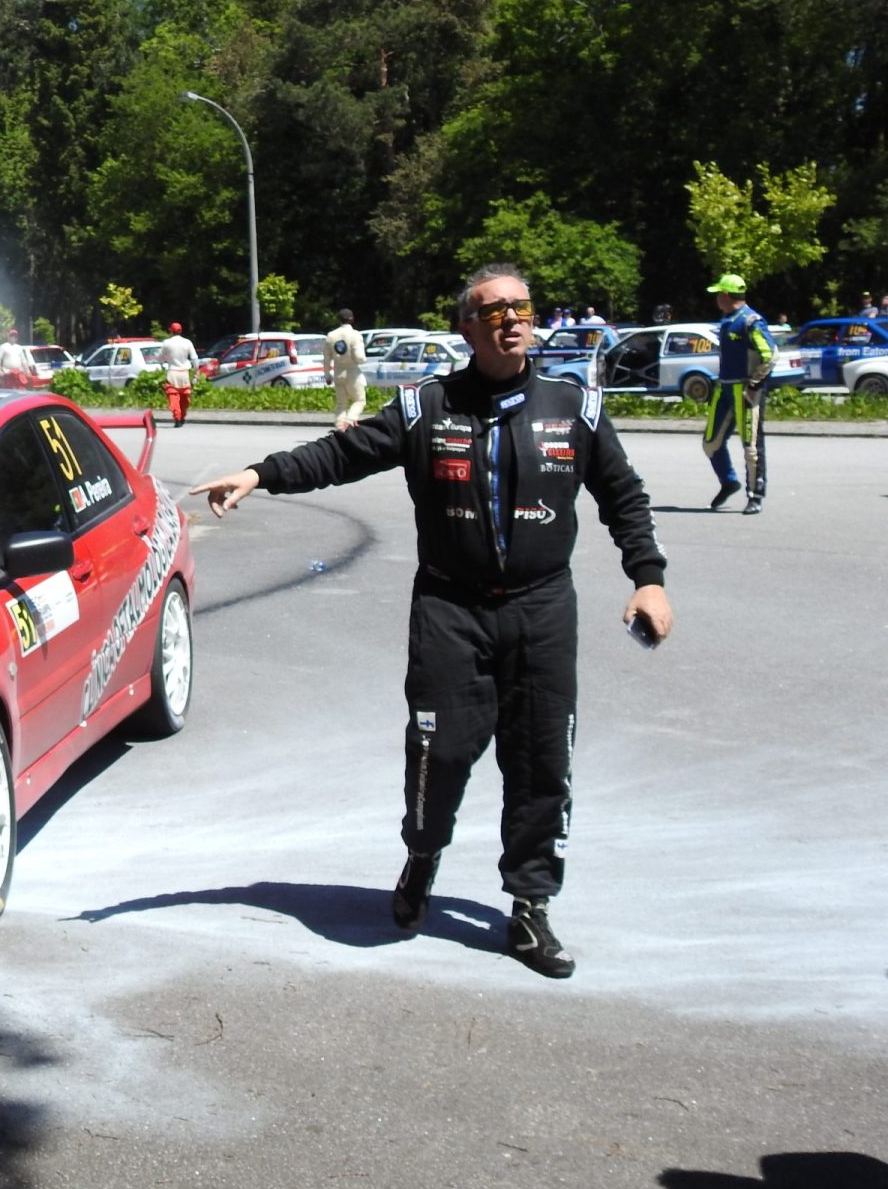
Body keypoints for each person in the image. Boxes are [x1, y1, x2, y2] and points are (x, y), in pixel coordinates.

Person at [190, 264, 673, 980]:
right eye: (493, 310)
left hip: (542, 608)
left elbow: (623, 497)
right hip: (451, 608)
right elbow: (342, 453)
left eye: (521, 307)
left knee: (542, 763)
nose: (511, 319)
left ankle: (530, 908)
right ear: (466, 327)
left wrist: (649, 579)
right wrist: (260, 473)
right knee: (440, 752)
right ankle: (423, 854)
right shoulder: (426, 407)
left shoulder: (576, 406)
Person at [702, 273, 775, 515]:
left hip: (745, 391)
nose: (716, 300)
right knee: (711, 443)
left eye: (717, 295)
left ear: (725, 296)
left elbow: (771, 355)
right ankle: (728, 481)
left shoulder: (751, 321)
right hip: (723, 389)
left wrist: (754, 385)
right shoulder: (727, 320)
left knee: (750, 447)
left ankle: (755, 495)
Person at [325, 308, 368, 430]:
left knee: (341, 404)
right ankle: (349, 422)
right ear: (352, 320)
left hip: (338, 372)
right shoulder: (355, 335)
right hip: (353, 372)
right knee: (359, 400)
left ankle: (340, 428)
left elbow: (326, 359)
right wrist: (364, 360)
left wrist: (327, 375)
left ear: (339, 320)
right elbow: (360, 357)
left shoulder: (331, 335)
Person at [158, 321, 198, 426]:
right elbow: (194, 358)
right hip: (184, 372)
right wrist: (195, 372)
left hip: (172, 372)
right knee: (185, 396)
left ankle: (177, 418)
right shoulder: (187, 342)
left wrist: (162, 365)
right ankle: (183, 415)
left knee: (173, 396)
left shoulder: (167, 343)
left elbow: (160, 358)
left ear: (171, 331)